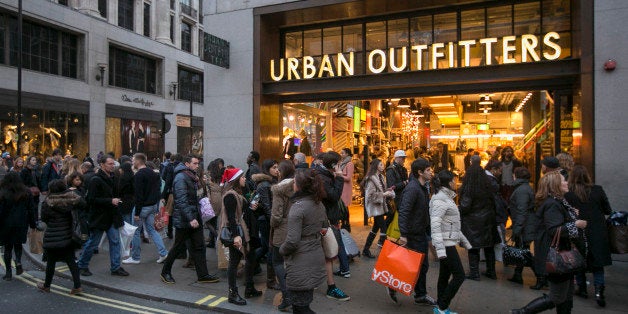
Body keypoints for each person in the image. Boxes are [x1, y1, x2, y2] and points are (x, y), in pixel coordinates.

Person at [511, 171, 587, 314]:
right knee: (557, 296)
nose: (566, 183)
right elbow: (554, 229)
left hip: (563, 255)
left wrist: (572, 217)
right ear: (555, 185)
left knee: (566, 296)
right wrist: (575, 224)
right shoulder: (553, 204)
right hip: (558, 256)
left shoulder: (558, 202)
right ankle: (521, 312)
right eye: (563, 180)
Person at [160, 155, 219, 284]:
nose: (197, 166)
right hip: (185, 219)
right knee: (177, 247)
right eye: (195, 163)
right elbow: (181, 201)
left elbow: (194, 197)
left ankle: (203, 275)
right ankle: (165, 272)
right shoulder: (181, 177)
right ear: (187, 164)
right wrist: (191, 218)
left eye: (198, 163)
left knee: (199, 246)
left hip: (194, 217)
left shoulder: (191, 176)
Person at [279, 168, 328, 314]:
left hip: (300, 261)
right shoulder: (319, 203)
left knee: (300, 308)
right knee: (304, 304)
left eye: (294, 182)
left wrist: (282, 250)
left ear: (300, 185)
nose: (293, 184)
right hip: (315, 256)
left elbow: (292, 241)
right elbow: (325, 226)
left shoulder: (298, 207)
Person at [565, 165, 612, 307]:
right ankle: (599, 291)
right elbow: (607, 209)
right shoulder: (597, 190)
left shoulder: (569, 194)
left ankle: (582, 288)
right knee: (598, 264)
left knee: (579, 260)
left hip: (579, 231)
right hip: (598, 231)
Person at [393, 157, 437, 306]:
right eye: (428, 170)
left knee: (419, 265)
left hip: (419, 231)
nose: (431, 172)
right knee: (415, 265)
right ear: (420, 172)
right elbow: (404, 211)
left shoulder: (422, 187)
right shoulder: (413, 188)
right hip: (413, 233)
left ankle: (419, 293)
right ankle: (399, 287)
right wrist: (404, 234)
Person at [77, 155, 129, 277]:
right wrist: (110, 201)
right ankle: (82, 265)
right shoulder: (95, 180)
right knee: (93, 243)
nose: (113, 166)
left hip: (111, 216)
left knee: (115, 241)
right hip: (99, 217)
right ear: (102, 165)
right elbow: (91, 199)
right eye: (110, 164)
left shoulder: (114, 177)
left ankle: (115, 267)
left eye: (113, 164)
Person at [430, 170, 472, 314]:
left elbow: (451, 224)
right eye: (454, 180)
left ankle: (441, 307)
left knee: (445, 275)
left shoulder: (445, 198)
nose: (456, 182)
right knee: (459, 275)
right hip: (445, 244)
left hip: (447, 242)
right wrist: (440, 249)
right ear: (448, 183)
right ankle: (442, 306)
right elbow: (435, 225)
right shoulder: (441, 199)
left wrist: (464, 241)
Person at [220, 167, 262, 305]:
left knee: (250, 257)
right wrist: (236, 236)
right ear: (236, 180)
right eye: (242, 177)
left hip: (244, 232)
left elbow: (241, 213)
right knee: (234, 262)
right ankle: (232, 293)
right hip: (236, 233)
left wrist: (250, 207)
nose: (245, 179)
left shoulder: (239, 193)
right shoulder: (230, 196)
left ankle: (249, 287)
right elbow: (232, 218)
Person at [313, 152, 350, 301]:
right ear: (334, 165)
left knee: (326, 253)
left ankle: (321, 282)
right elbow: (334, 196)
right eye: (339, 163)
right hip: (325, 221)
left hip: (327, 219)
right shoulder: (322, 178)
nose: (341, 166)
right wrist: (339, 177)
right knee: (328, 253)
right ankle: (331, 287)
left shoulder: (324, 175)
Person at [37, 179, 84, 295]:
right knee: (71, 261)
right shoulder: (70, 199)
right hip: (67, 235)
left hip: (52, 235)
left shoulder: (47, 202)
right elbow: (83, 204)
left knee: (51, 262)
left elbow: (44, 218)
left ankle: (47, 286)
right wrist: (71, 194)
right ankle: (77, 286)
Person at [123, 153, 169, 264]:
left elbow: (139, 195)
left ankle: (135, 257)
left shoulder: (139, 175)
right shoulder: (153, 173)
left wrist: (137, 213)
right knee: (152, 230)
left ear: (139, 161)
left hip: (143, 207)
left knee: (136, 232)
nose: (132, 162)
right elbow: (157, 190)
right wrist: (156, 207)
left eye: (133, 160)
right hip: (152, 206)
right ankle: (163, 253)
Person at [459, 156, 498, 281]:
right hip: (488, 220)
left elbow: (465, 206)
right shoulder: (487, 185)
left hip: (473, 222)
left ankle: (474, 272)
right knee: (489, 247)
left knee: (473, 247)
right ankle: (491, 271)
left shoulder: (470, 188)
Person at [270, 160, 296, 311]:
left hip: (282, 230)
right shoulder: (298, 185)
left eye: (279, 170)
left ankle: (287, 296)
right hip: (296, 228)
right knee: (293, 261)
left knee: (277, 261)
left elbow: (276, 215)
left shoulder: (279, 189)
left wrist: (273, 224)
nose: (277, 172)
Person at [0, 172, 37, 280]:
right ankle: (19, 262)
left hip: (5, 224)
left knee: (7, 248)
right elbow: (31, 209)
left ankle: (8, 273)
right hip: (21, 223)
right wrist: (33, 224)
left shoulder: (3, 192)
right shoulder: (26, 192)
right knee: (18, 244)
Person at [251, 159, 280, 290]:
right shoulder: (265, 185)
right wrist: (274, 221)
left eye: (277, 167)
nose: (277, 169)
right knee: (270, 249)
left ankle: (250, 268)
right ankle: (270, 280)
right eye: (274, 167)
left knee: (264, 248)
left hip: (266, 220)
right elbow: (268, 207)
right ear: (267, 169)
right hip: (266, 221)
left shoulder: (271, 182)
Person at [508, 167, 538, 285]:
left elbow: (522, 210)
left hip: (525, 225)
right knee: (522, 250)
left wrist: (517, 228)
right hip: (525, 224)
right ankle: (517, 274)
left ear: (516, 176)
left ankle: (541, 277)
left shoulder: (522, 190)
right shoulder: (524, 188)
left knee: (525, 252)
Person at [361, 158, 395, 258]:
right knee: (383, 229)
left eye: (382, 164)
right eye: (380, 165)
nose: (383, 166)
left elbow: (382, 190)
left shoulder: (381, 177)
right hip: (375, 207)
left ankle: (366, 250)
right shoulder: (371, 179)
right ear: (376, 166)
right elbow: (370, 195)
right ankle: (384, 252)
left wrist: (388, 191)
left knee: (375, 228)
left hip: (380, 206)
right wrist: (384, 194)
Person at [385, 149, 409, 246]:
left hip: (402, 196)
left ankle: (393, 237)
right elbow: (392, 185)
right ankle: (384, 238)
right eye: (402, 158)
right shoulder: (391, 170)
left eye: (404, 158)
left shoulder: (403, 169)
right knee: (391, 217)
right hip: (395, 198)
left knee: (397, 216)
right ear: (397, 158)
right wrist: (404, 183)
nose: (404, 160)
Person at [337, 148, 354, 231]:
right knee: (342, 207)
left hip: (346, 188)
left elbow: (348, 178)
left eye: (343, 153)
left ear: (347, 154)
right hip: (342, 187)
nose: (341, 154)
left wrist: (339, 175)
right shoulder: (342, 163)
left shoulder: (350, 164)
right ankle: (344, 224)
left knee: (345, 207)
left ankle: (346, 225)